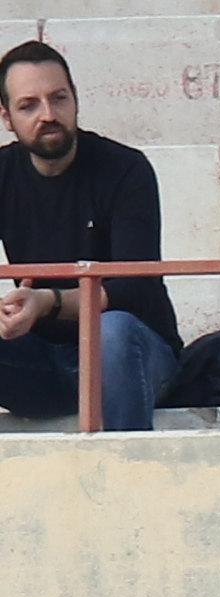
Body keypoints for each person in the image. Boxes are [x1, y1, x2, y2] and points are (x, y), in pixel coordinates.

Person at [0, 47, 174, 432]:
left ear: (75, 99)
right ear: (7, 117)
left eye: (59, 98)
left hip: (133, 356)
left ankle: (127, 476)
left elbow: (135, 291)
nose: (49, 115)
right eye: (29, 105)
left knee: (110, 331)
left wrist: (46, 302)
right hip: (42, 362)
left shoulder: (126, 169)